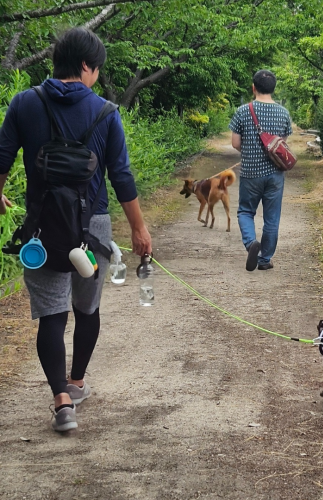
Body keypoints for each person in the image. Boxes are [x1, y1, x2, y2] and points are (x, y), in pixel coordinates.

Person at [0, 27, 152, 432]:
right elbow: (121, 176)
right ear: (86, 66)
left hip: (41, 229)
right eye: (97, 68)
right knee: (87, 308)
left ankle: (61, 401)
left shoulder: (24, 103)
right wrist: (138, 229)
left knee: (51, 315)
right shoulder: (105, 112)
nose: (97, 76)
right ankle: (78, 380)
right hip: (93, 228)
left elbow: (1, 158)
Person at [229, 69, 293, 271]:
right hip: (275, 174)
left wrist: (249, 150)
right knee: (271, 219)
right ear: (273, 88)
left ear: (253, 87)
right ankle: (265, 260)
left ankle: (251, 244)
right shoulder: (283, 113)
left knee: (246, 211)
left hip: (250, 173)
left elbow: (235, 143)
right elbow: (283, 145)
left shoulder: (242, 110)